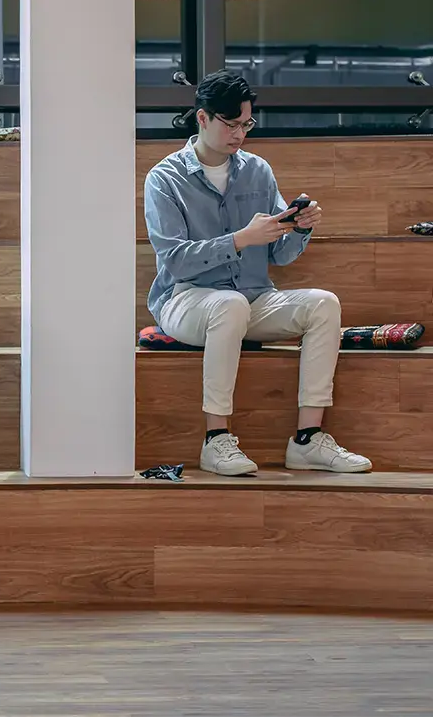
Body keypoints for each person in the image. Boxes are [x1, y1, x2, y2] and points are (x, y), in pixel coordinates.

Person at [143, 71, 371, 477]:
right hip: (186, 300)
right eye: (230, 124)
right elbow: (175, 260)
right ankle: (216, 441)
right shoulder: (165, 179)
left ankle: (308, 440)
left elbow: (279, 256)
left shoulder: (257, 171)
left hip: (253, 298)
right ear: (202, 119)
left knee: (323, 304)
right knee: (228, 305)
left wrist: (299, 227)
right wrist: (240, 239)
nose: (239, 134)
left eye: (246, 124)